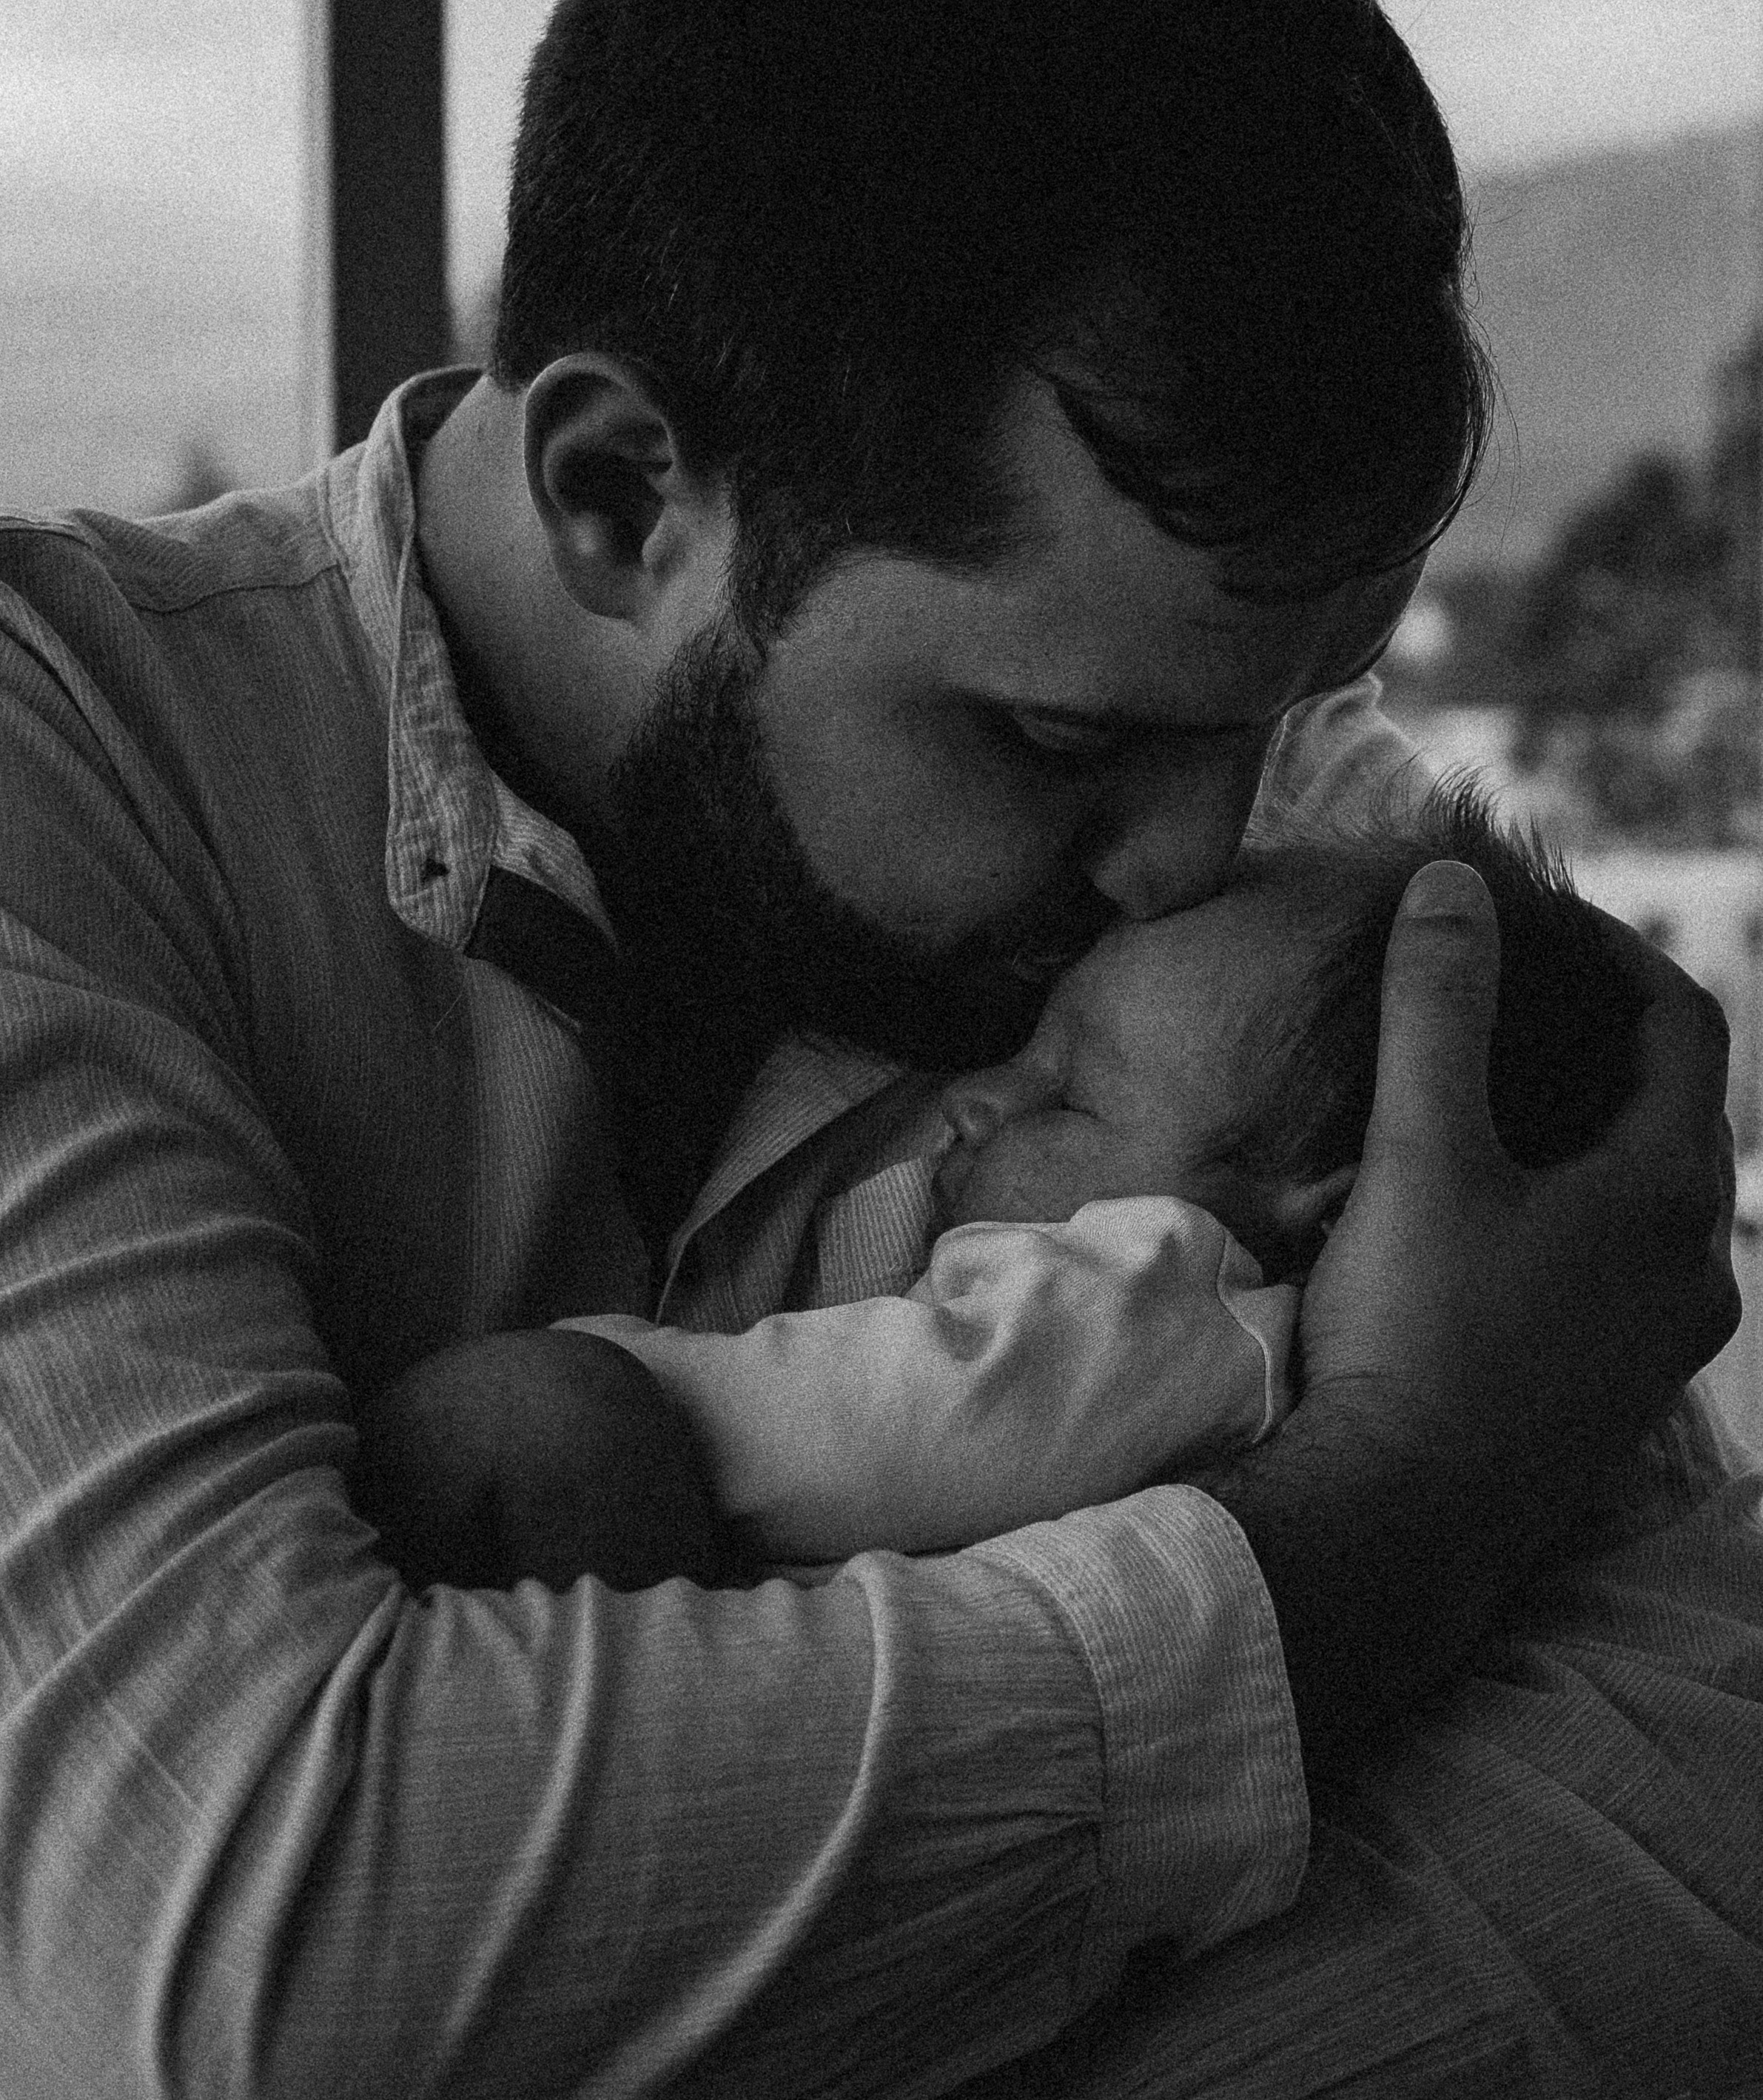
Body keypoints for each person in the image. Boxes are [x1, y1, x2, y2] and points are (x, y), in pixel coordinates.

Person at [0, 3, 1739, 2093]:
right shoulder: (63, 787)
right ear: (622, 493)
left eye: (1280, 716)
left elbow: (1677, 1815)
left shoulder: (1276, 835)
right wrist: (1397, 1507)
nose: (1196, 857)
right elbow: (262, 1950)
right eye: (1064, 744)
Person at [359, 774, 1661, 1585]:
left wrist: (641, 1389)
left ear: (1316, 1224)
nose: (976, 1095)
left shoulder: (1170, 1298)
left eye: (1069, 1094)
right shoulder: (1195, 1240)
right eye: (1028, 1044)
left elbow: (917, 1409)